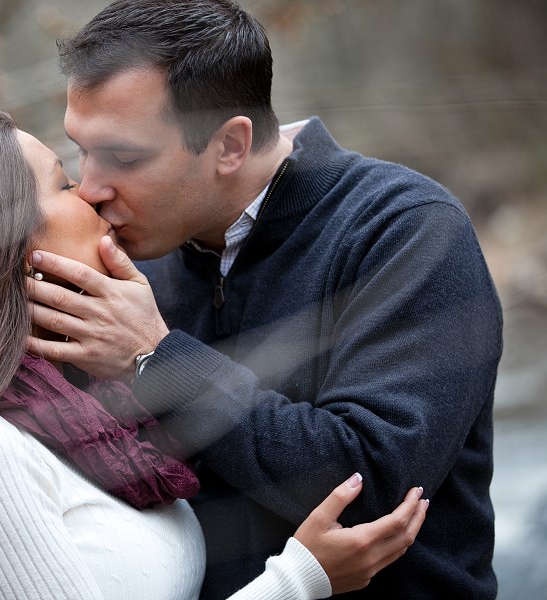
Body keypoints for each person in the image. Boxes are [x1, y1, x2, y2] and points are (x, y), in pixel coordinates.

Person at [25, 1, 503, 599]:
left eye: (123, 157)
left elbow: (369, 492)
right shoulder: (135, 262)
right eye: (81, 148)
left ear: (229, 145)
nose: (90, 186)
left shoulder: (406, 231)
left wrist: (158, 359)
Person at [0, 106, 427, 600]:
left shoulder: (79, 406)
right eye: (62, 183)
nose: (92, 192)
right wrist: (301, 579)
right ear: (10, 246)